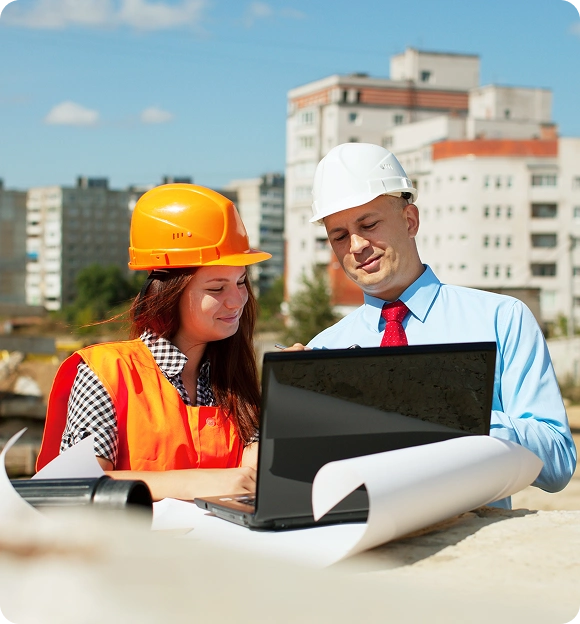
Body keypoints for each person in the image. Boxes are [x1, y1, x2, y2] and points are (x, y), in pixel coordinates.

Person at [294, 142, 577, 509]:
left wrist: (455, 415)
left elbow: (557, 465)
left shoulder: (501, 319)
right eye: (340, 235)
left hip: (467, 553)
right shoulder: (321, 353)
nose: (358, 245)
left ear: (410, 220)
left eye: (369, 224)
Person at [36, 183, 272, 501]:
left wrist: (288, 399)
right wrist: (196, 484)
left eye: (241, 281)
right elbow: (75, 485)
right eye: (217, 288)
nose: (237, 300)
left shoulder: (233, 379)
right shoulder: (106, 373)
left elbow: (254, 477)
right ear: (169, 294)